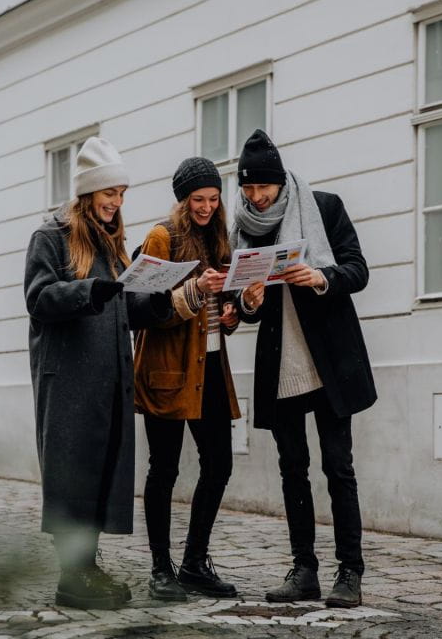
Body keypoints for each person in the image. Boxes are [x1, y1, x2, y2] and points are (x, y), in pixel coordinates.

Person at [24, 137, 172, 610]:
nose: (117, 202)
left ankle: (86, 567)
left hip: (108, 381)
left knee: (100, 471)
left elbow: (125, 304)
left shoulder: (112, 243)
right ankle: (73, 577)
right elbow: (40, 298)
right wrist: (90, 289)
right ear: (88, 193)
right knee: (73, 473)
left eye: (122, 193)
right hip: (68, 382)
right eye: (110, 192)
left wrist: (164, 295)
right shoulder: (51, 236)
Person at [232, 129, 377, 608]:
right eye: (248, 190)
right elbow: (244, 306)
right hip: (282, 367)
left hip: (330, 362)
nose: (256, 197)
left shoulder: (325, 207)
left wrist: (320, 277)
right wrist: (249, 301)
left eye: (263, 189)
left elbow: (357, 268)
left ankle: (350, 572)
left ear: (280, 182)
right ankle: (305, 570)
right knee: (293, 469)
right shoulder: (248, 229)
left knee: (339, 467)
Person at [134, 157, 246, 601]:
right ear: (183, 200)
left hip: (212, 369)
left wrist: (239, 309)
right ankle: (161, 569)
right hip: (168, 371)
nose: (205, 207)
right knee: (164, 469)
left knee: (219, 464)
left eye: (213, 199)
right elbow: (142, 310)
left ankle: (195, 563)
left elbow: (223, 311)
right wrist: (196, 291)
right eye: (198, 199)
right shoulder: (162, 237)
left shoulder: (220, 236)